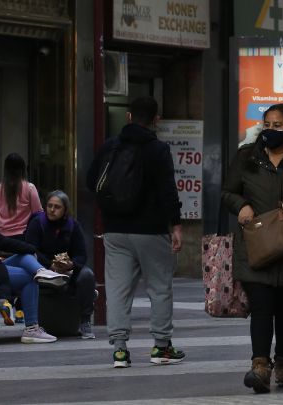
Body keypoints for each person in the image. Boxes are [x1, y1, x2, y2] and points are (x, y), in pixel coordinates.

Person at [222, 103, 283, 394]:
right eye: (266, 124)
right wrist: (242, 206)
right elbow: (227, 192)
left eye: (277, 126)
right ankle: (260, 365)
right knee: (262, 306)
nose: (270, 130)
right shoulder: (246, 157)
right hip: (256, 244)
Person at [86, 96, 184, 368]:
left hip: (115, 230)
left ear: (128, 117)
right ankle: (161, 347)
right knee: (160, 288)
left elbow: (90, 181)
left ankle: (119, 350)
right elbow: (168, 191)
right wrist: (175, 225)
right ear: (156, 119)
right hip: (151, 230)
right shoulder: (158, 149)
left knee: (117, 290)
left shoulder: (109, 147)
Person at [0, 187, 62, 343]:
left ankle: (43, 271)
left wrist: (28, 250)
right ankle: (31, 329)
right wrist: (31, 247)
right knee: (29, 278)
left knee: (24, 256)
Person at [23, 190, 97, 339]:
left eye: (57, 207)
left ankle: (85, 320)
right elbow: (31, 249)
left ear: (65, 210)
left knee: (87, 275)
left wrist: (71, 265)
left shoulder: (72, 225)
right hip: (42, 267)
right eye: (49, 205)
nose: (52, 209)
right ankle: (34, 324)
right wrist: (49, 266)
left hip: (67, 268)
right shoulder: (38, 223)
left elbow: (81, 253)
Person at [0, 153, 43, 239]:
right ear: (23, 169)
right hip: (24, 236)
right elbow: (38, 213)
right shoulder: (30, 188)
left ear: (5, 169)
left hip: (2, 237)